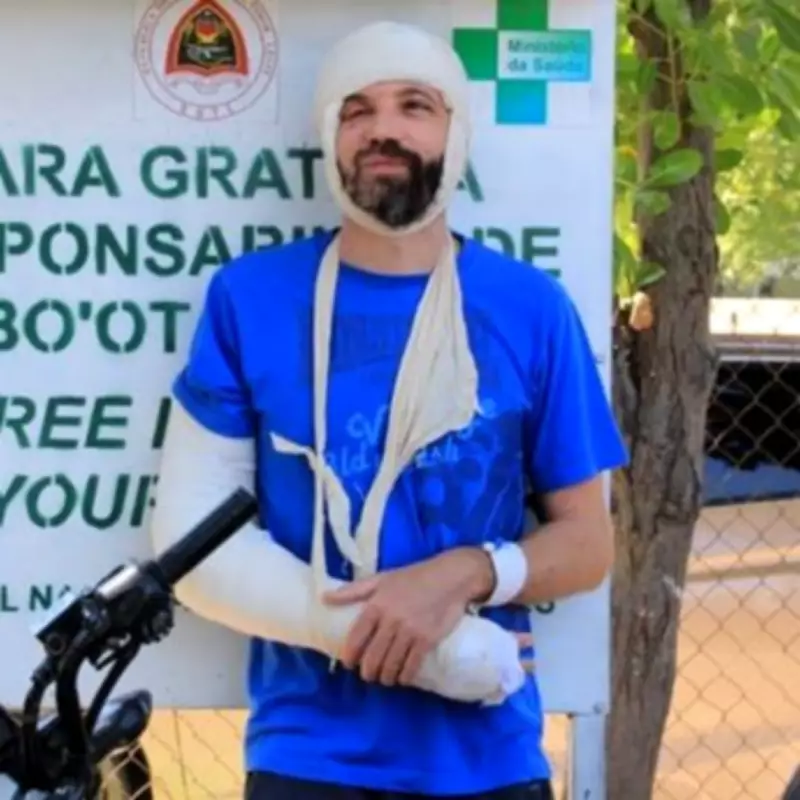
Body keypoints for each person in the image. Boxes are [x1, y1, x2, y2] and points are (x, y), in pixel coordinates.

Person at [149, 19, 628, 800]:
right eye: (357, 110)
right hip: (308, 761)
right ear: (330, 138)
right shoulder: (251, 299)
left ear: (455, 131)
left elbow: (587, 544)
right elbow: (193, 543)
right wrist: (394, 640)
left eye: (415, 106)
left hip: (490, 755)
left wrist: (466, 574)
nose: (384, 130)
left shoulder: (531, 307)